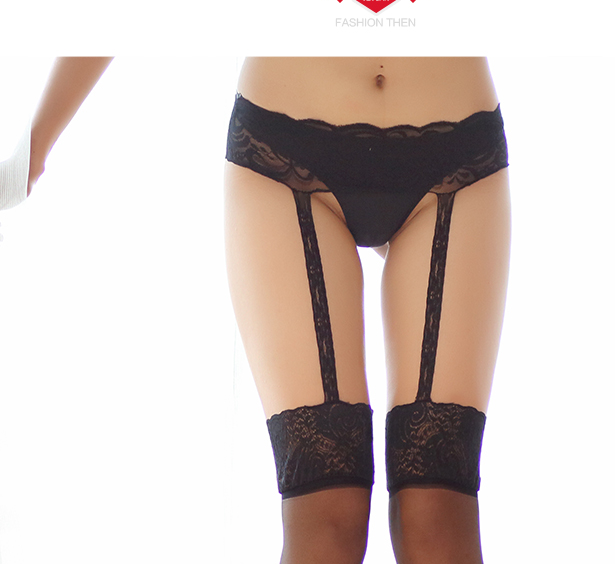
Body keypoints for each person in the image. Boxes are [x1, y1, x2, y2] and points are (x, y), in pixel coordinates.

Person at [3, 56, 511, 564]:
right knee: (327, 514)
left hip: (459, 155)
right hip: (282, 156)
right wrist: (35, 146)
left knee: (437, 518)